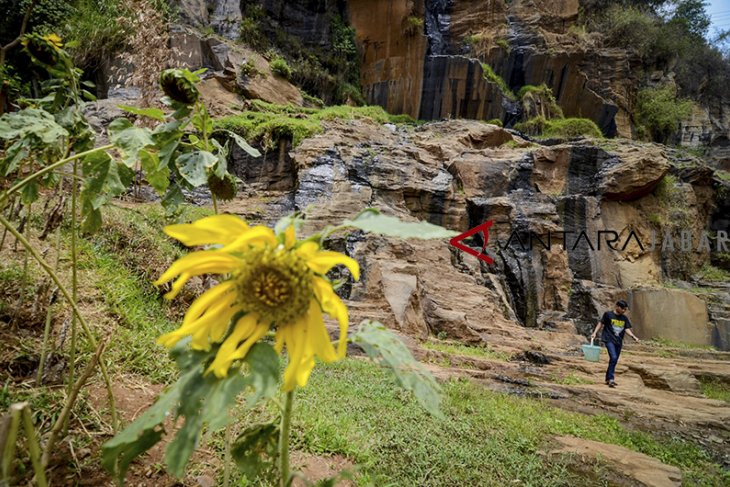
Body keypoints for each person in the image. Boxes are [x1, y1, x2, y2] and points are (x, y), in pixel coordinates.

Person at [590, 300, 640, 387]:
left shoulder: (624, 318)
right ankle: (611, 379)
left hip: (618, 341)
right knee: (613, 357)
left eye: (625, 309)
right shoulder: (608, 314)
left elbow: (626, 328)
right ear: (617, 307)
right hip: (609, 339)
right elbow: (601, 323)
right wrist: (594, 332)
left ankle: (608, 378)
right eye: (623, 309)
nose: (624, 311)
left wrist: (633, 336)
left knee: (614, 360)